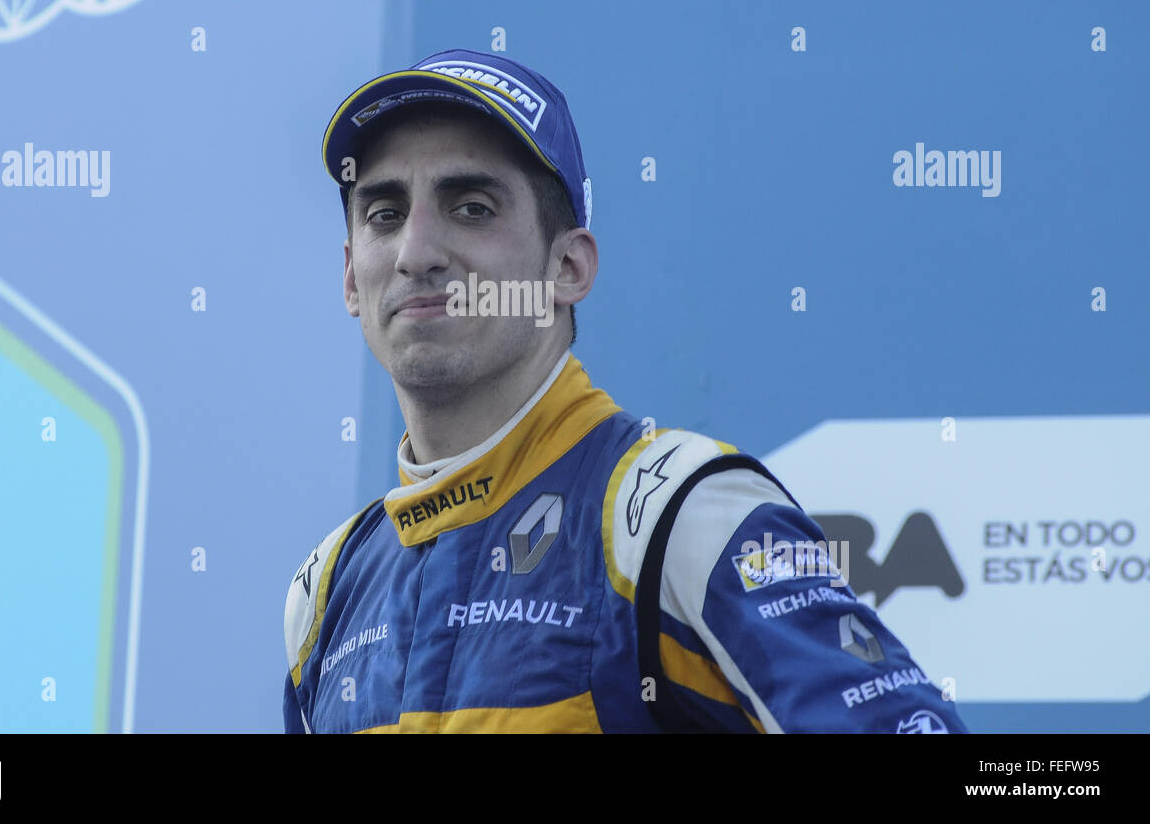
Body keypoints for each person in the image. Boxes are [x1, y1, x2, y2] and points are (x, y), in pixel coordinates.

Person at [283, 48, 968, 734]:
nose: (416, 252)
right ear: (351, 278)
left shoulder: (678, 516)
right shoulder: (326, 593)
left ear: (569, 266)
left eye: (471, 207)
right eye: (383, 213)